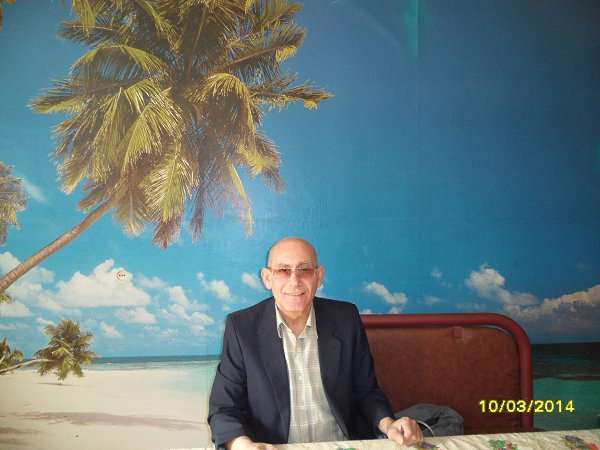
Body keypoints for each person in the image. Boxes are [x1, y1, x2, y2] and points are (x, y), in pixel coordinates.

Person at [208, 237, 423, 449]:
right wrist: (243, 445)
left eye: (304, 269)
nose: (295, 281)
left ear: (319, 277)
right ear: (267, 278)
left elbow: (366, 391)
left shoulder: (346, 319)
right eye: (283, 270)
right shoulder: (242, 328)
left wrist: (389, 425)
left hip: (341, 445)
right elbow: (224, 409)